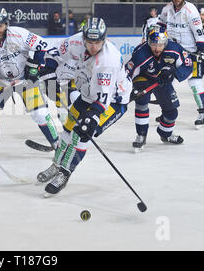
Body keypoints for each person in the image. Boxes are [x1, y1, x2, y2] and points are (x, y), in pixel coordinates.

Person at [36, 17, 132, 195]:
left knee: (82, 136)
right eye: (89, 42)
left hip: (112, 101)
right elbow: (54, 52)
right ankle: (56, 165)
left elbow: (102, 101)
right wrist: (49, 69)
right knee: (67, 131)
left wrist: (92, 118)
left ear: (104, 39)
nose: (93, 46)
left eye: (97, 42)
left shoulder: (107, 61)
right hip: (88, 94)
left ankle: (65, 173)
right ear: (83, 38)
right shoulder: (75, 41)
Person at [0, 9, 60, 153]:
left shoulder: (19, 34)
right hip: (2, 82)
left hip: (25, 80)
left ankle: (56, 143)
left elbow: (42, 46)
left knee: (40, 114)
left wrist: (35, 67)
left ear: (6, 24)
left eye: (1, 25)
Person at [127, 25, 193, 152]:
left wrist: (174, 72)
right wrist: (128, 89)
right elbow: (126, 73)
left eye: (160, 44)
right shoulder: (140, 53)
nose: (157, 48)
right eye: (153, 44)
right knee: (141, 101)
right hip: (143, 78)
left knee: (172, 113)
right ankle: (141, 135)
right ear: (148, 42)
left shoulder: (175, 49)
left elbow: (188, 67)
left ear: (166, 42)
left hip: (162, 80)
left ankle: (165, 134)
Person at [158, 0, 204, 129]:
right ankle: (167, 112)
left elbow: (199, 32)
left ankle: (203, 113)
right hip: (172, 51)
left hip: (190, 52)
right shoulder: (167, 9)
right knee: (166, 81)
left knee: (195, 83)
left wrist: (201, 50)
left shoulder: (191, 10)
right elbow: (161, 25)